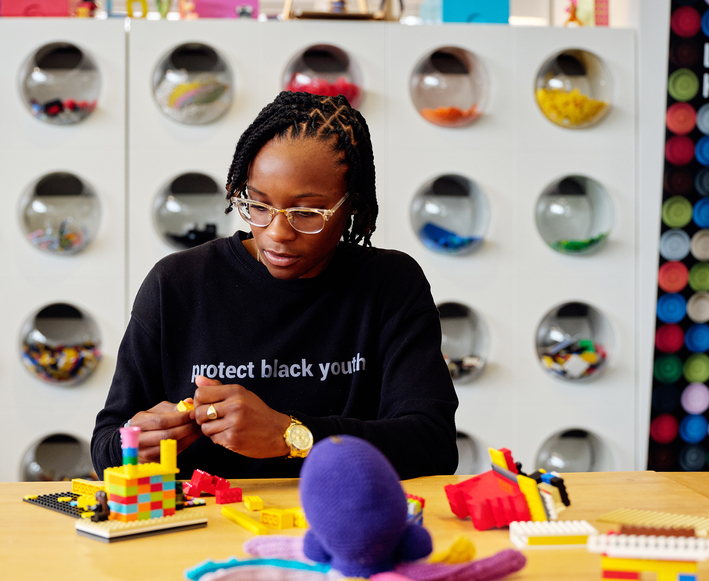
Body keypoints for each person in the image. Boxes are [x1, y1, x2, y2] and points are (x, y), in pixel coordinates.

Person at [91, 91, 458, 480]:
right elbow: (105, 448)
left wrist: (291, 435)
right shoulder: (177, 285)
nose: (277, 233)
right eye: (259, 205)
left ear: (352, 206)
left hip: (342, 526)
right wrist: (135, 445)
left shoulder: (390, 286)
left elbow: (431, 445)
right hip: (199, 531)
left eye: (306, 212)